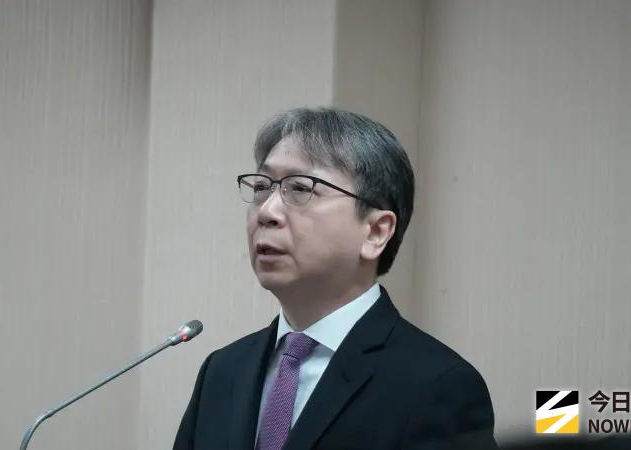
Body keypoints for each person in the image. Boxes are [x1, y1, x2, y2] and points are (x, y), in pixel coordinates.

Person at [174, 108, 498, 450]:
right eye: (262, 187)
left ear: (375, 232)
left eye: (300, 188)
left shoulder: (438, 385)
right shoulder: (222, 372)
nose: (267, 211)